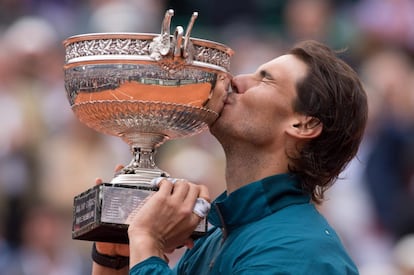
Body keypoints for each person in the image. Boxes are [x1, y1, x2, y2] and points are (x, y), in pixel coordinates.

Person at [91, 40, 367, 274]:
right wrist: (115, 259)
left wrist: (148, 241)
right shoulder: (216, 237)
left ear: (303, 125)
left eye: (265, 79)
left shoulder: (298, 252)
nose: (237, 80)